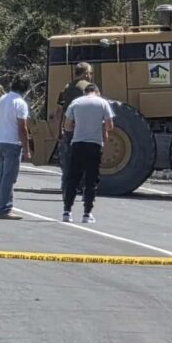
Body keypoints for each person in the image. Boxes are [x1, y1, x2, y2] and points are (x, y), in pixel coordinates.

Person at [62, 83, 114, 224]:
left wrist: (78, 127)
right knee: (91, 180)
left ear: (85, 92)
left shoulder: (75, 103)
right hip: (94, 145)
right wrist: (100, 124)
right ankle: (87, 213)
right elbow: (110, 126)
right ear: (97, 92)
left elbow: (67, 126)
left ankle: (67, 211)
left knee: (73, 178)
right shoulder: (103, 103)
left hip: (78, 143)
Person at [0, 76, 31, 220]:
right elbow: (23, 128)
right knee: (9, 177)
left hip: (1, 141)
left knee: (1, 176)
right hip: (13, 143)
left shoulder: (2, 100)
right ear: (25, 89)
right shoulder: (20, 103)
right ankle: (5, 208)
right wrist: (26, 148)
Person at [56, 62, 94, 191]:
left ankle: (67, 183)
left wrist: (60, 129)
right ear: (85, 74)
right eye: (90, 73)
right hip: (84, 127)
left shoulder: (67, 87)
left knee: (69, 157)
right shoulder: (89, 87)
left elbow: (61, 109)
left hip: (69, 126)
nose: (91, 76)